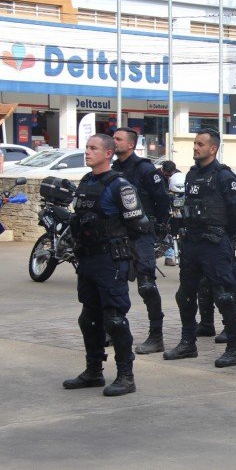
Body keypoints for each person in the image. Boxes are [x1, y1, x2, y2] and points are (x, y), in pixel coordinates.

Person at [62, 133, 149, 397]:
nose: (87, 152)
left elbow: (139, 224)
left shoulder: (119, 185)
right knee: (89, 317)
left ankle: (126, 375)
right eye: (86, 147)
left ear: (108, 153)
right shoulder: (87, 181)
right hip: (87, 258)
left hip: (110, 259)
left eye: (93, 148)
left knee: (114, 319)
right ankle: (93, 371)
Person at [162, 129, 236, 367]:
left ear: (213, 149)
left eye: (200, 144)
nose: (195, 148)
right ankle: (187, 343)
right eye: (194, 144)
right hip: (193, 242)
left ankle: (234, 348)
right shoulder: (191, 175)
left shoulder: (223, 176)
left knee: (224, 296)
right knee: (185, 294)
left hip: (215, 243)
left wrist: (226, 235)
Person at [111, 127, 172, 355]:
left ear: (130, 144)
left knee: (146, 285)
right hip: (116, 234)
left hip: (140, 234)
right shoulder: (113, 169)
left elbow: (162, 201)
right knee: (112, 283)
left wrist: (156, 228)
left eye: (118, 139)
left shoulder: (145, 170)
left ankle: (156, 336)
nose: (114, 142)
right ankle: (113, 330)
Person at [158, 160, 181, 266]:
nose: (168, 176)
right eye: (166, 174)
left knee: (173, 230)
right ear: (163, 170)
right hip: (161, 205)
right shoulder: (156, 175)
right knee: (163, 230)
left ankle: (169, 256)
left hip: (176, 204)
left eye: (170, 174)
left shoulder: (178, 175)